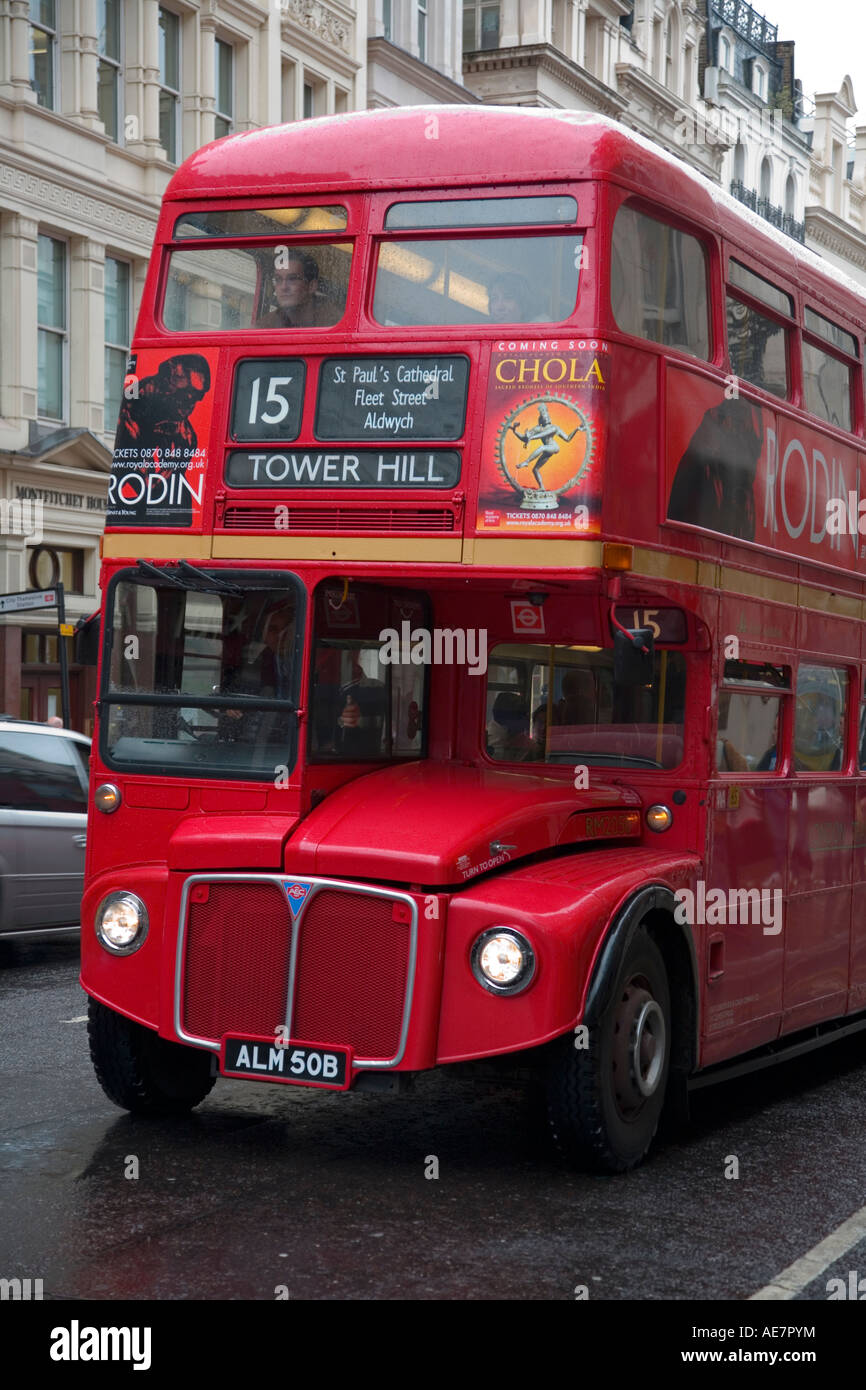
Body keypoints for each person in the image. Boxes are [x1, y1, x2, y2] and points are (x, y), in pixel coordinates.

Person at [256, 250, 335, 328]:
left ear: (312, 286)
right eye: (278, 279)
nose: (284, 287)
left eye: (292, 279)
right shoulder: (267, 324)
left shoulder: (333, 321)